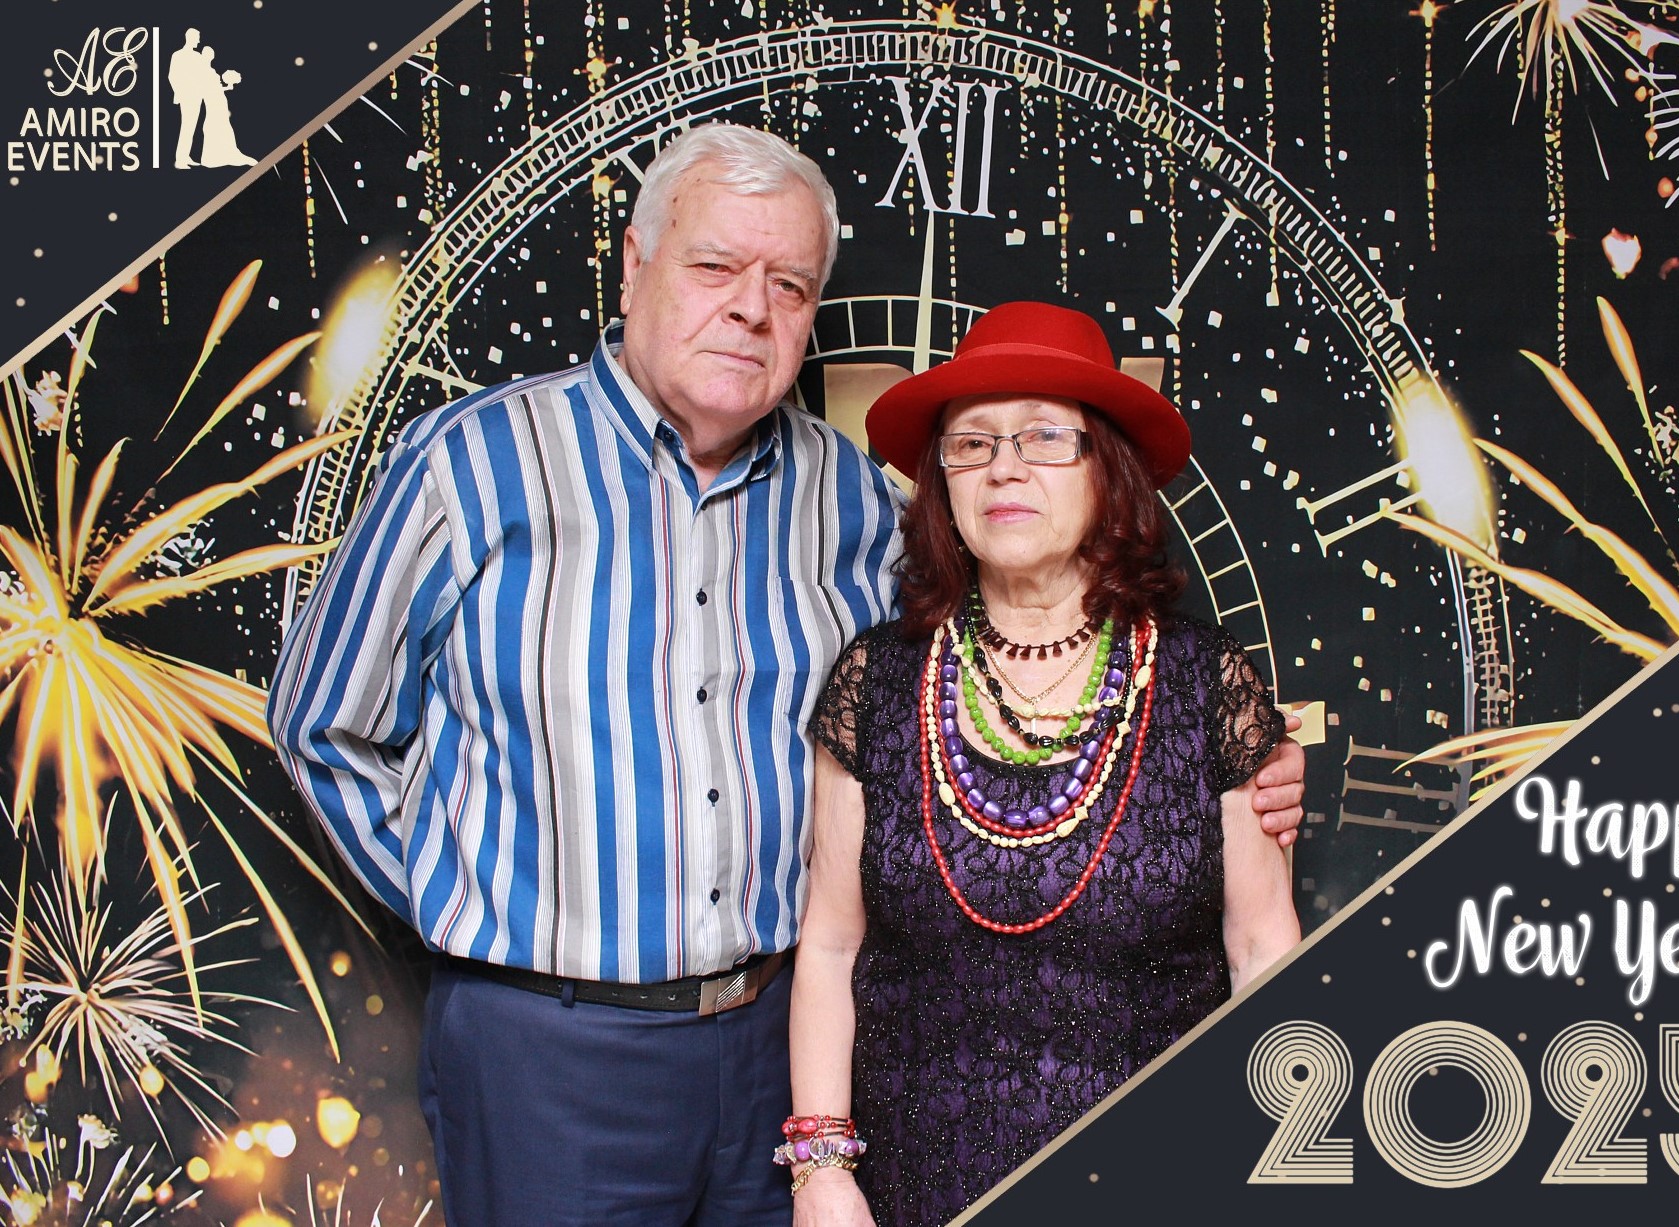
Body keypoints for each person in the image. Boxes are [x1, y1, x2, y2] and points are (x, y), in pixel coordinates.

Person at [268, 125, 1306, 1227]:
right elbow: (321, 723)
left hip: (781, 1039)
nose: (751, 310)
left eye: (790, 285)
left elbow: (1008, 653)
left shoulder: (855, 499)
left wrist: (1234, 764)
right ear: (635, 264)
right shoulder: (472, 464)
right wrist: (466, 900)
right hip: (550, 1050)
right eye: (715, 265)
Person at [788, 301, 1303, 1227]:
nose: (1005, 466)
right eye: (972, 443)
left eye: (1044, 437)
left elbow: (1262, 949)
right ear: (942, 484)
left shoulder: (1203, 681)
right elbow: (829, 944)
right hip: (916, 1188)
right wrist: (821, 1172)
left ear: (1109, 469)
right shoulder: (877, 680)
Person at [196, 47, 256, 167]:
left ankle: (225, 153)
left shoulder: (211, 70)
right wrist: (217, 89)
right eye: (209, 54)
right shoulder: (202, 71)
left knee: (223, 124)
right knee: (214, 124)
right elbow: (205, 89)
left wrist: (228, 86)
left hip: (219, 100)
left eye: (211, 54)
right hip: (212, 100)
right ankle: (213, 157)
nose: (211, 57)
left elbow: (215, 88)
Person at [168, 29, 206, 169]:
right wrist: (181, 92)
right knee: (186, 127)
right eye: (197, 38)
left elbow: (202, 75)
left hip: (197, 96)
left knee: (191, 127)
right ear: (189, 37)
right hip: (186, 97)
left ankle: (186, 156)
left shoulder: (198, 56)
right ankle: (180, 160)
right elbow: (172, 76)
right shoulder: (178, 55)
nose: (199, 41)